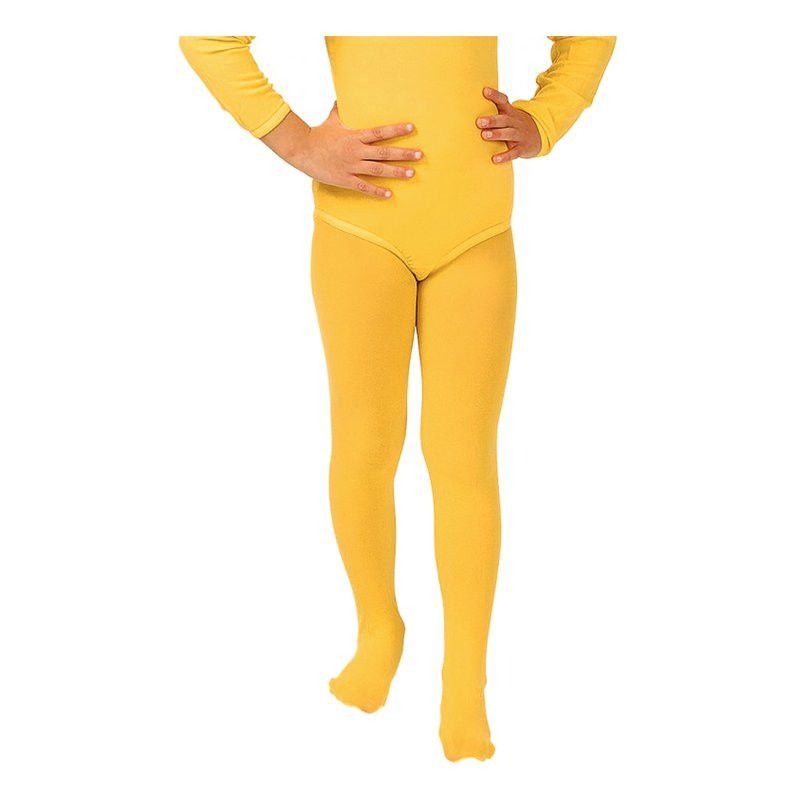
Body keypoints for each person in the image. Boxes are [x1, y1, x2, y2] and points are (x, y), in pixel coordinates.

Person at [179, 34, 615, 761]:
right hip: (359, 228)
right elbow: (207, 35)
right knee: (365, 446)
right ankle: (379, 627)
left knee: (463, 459)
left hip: (476, 230)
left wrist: (549, 115)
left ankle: (465, 678)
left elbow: (592, 31)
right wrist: (298, 143)